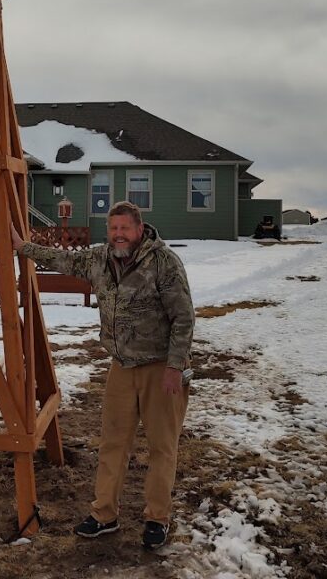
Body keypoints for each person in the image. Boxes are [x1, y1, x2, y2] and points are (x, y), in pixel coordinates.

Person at [11, 201, 195, 550]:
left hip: (160, 369)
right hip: (121, 368)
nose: (118, 235)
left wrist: (175, 366)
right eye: (113, 229)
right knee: (113, 444)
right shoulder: (99, 260)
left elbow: (184, 318)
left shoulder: (163, 263)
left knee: (161, 448)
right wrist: (24, 249)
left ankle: (157, 518)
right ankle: (104, 515)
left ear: (140, 230)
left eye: (124, 228)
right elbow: (62, 259)